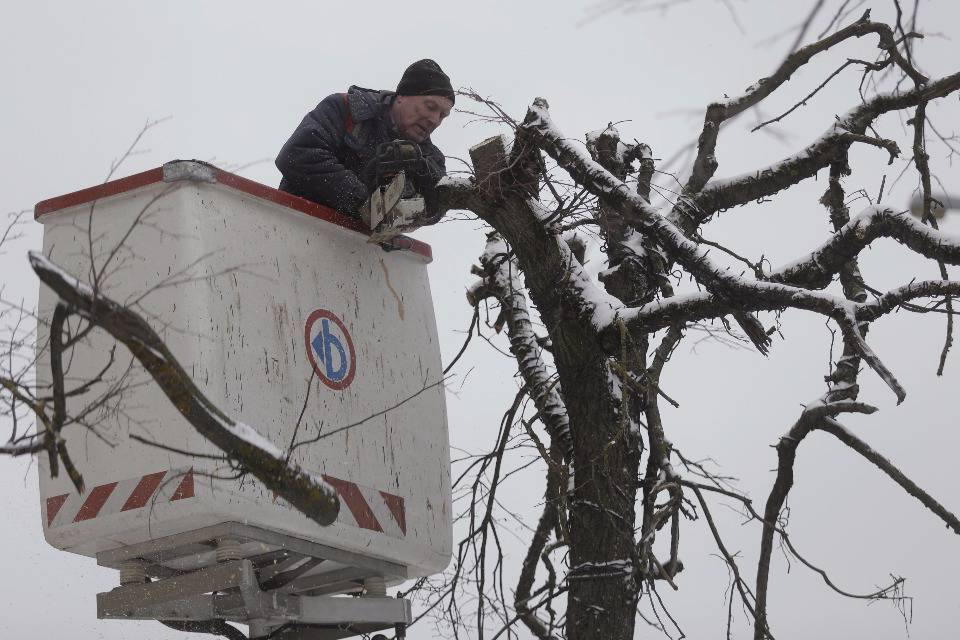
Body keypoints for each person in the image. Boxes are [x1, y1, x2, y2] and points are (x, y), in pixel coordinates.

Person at [276, 59, 454, 218]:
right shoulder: (347, 109)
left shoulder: (431, 159)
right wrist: (365, 203)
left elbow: (437, 206)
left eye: (443, 116)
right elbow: (297, 154)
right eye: (430, 107)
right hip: (296, 224)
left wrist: (421, 172)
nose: (435, 120)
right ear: (401, 96)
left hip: (362, 249)